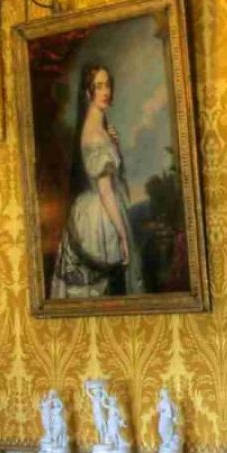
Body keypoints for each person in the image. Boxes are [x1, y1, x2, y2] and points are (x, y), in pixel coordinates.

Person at [51, 63, 137, 297]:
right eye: (98, 86)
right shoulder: (95, 135)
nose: (105, 91)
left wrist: (115, 144)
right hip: (101, 217)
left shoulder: (100, 128)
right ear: (88, 93)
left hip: (95, 208)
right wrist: (121, 234)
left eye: (107, 85)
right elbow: (106, 191)